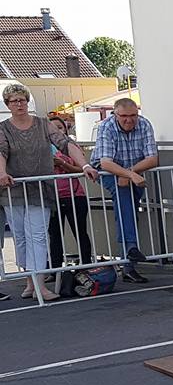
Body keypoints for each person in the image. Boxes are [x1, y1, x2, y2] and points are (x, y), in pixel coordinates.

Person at [0, 83, 97, 302]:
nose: (19, 104)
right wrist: (2, 173)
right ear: (8, 104)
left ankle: (40, 285)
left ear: (28, 102)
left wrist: (84, 165)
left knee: (38, 235)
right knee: (20, 237)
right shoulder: (3, 128)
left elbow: (65, 143)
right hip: (13, 191)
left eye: (22, 100)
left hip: (41, 188)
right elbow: (1, 151)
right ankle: (30, 281)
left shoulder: (43, 125)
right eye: (14, 101)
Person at [90, 97, 158, 283]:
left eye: (133, 115)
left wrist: (130, 174)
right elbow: (105, 162)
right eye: (124, 116)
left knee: (128, 209)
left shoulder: (144, 124)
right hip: (108, 171)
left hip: (132, 169)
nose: (129, 120)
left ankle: (128, 262)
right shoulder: (106, 126)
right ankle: (130, 250)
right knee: (123, 199)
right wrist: (128, 174)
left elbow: (153, 159)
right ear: (115, 114)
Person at [47, 116, 93, 270]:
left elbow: (82, 169)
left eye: (60, 128)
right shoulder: (43, 148)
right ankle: (55, 270)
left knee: (80, 232)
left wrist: (63, 164)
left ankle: (86, 266)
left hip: (75, 195)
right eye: (53, 129)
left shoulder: (72, 146)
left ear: (66, 129)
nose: (57, 131)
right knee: (55, 236)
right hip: (52, 198)